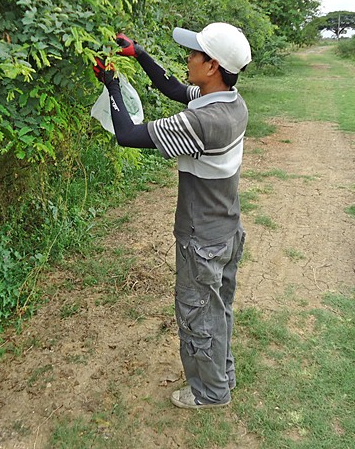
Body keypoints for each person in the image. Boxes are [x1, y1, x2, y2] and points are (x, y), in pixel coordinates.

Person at [93, 23, 250, 409]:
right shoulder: (230, 101)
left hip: (202, 241)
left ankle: (211, 393)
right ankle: (222, 375)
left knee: (198, 315)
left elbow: (127, 135)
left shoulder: (200, 124)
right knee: (217, 309)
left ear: (212, 65)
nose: (188, 59)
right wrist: (140, 54)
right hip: (227, 231)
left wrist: (111, 85)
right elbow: (177, 90)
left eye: (194, 54)